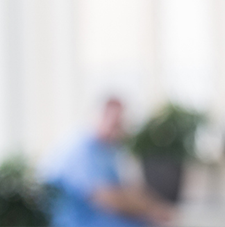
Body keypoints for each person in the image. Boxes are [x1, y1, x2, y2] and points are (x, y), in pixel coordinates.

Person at [43, 97, 174, 227]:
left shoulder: (107, 150)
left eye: (121, 124)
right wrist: (151, 209)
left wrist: (155, 207)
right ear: (100, 116)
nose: (120, 129)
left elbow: (125, 189)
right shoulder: (80, 149)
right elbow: (107, 197)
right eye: (115, 123)